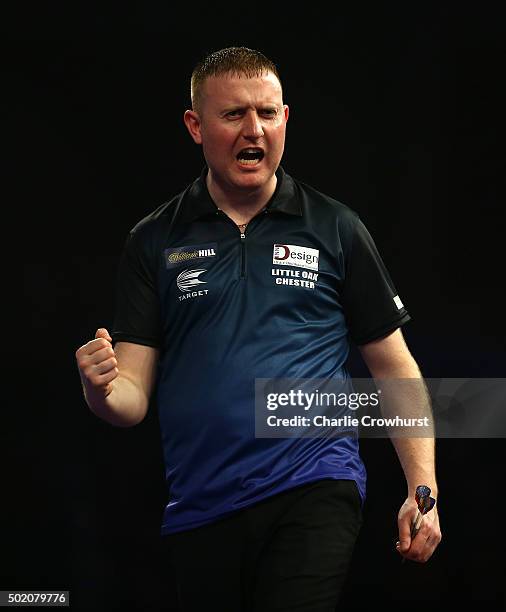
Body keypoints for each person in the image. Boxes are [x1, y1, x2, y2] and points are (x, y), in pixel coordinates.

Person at [75, 47, 442, 611]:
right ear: (196, 126)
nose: (255, 129)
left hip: (315, 481)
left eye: (268, 114)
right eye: (234, 115)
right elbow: (130, 400)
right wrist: (100, 389)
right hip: (203, 503)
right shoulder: (154, 240)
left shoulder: (336, 228)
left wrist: (424, 491)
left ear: (286, 121)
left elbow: (393, 365)